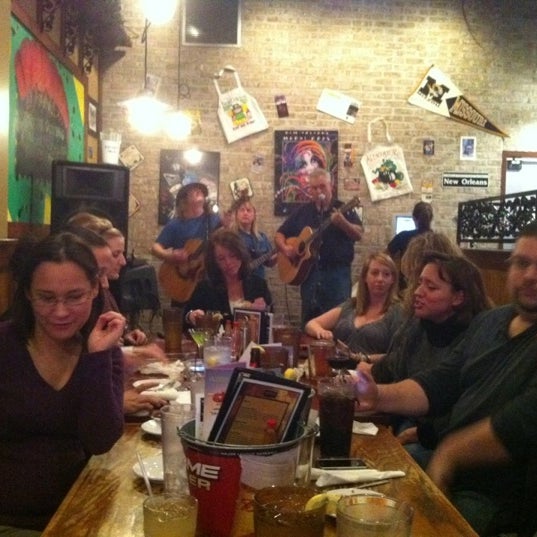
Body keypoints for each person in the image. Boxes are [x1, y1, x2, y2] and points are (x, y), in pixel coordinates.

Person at [354, 221, 537, 536]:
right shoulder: (491, 321)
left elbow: (519, 424)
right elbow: (441, 381)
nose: (531, 275)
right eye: (522, 263)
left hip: (495, 497)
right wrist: (377, 395)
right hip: (444, 466)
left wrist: (447, 454)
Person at [0, 232, 125, 533]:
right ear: (28, 293)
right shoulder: (6, 345)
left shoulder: (102, 349)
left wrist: (96, 357)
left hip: (79, 513)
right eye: (46, 297)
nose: (60, 312)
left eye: (74, 296)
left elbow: (100, 441)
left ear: (95, 288)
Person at [367, 252, 492, 464]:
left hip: (446, 439)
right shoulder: (418, 327)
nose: (417, 292)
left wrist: (421, 432)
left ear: (458, 297)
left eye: (431, 287)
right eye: (419, 283)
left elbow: (470, 411)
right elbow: (389, 368)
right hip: (405, 423)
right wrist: (350, 377)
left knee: (391, 462)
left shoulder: (475, 338)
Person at [274, 168, 363, 326]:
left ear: (331, 186)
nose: (319, 191)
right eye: (314, 188)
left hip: (337, 275)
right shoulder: (303, 211)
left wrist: (343, 223)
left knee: (338, 321)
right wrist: (286, 249)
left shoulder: (344, 208)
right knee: (309, 322)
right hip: (310, 275)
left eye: (322, 186)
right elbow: (279, 234)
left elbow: (359, 234)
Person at [304, 252, 402, 358]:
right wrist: (321, 332)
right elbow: (311, 324)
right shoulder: (351, 305)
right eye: (374, 273)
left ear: (393, 279)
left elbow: (398, 355)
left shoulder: (397, 311)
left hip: (369, 371)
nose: (380, 279)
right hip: (337, 369)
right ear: (365, 277)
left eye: (386, 274)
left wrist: (362, 358)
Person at [151, 182, 225, 305]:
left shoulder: (214, 220)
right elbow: (155, 248)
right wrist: (169, 256)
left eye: (201, 190)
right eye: (194, 190)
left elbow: (226, 245)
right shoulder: (176, 224)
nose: (199, 191)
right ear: (183, 200)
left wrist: (229, 227)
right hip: (183, 281)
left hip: (209, 281)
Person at [184, 228, 272, 327]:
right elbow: (186, 319)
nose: (228, 263)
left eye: (232, 255)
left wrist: (263, 311)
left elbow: (269, 324)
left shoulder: (259, 285)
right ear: (214, 261)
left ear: (241, 253)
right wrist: (191, 316)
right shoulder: (205, 288)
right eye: (221, 259)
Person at [387, 201, 433, 289]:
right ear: (431, 219)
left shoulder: (403, 236)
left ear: (414, 218)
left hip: (405, 286)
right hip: (429, 286)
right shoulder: (439, 240)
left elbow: (384, 257)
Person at [230, 197, 276, 279]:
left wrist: (280, 253)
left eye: (249, 210)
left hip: (258, 282)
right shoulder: (230, 236)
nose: (245, 213)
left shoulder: (261, 238)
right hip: (237, 281)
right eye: (242, 210)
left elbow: (269, 263)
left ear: (254, 215)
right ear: (236, 214)